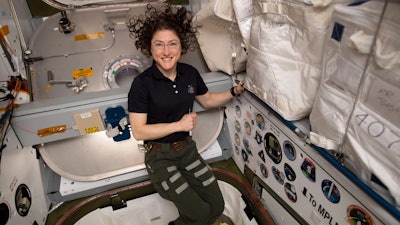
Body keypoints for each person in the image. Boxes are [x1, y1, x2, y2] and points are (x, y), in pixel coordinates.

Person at [127, 4, 245, 225]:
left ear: (181, 46)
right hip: (160, 157)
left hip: (187, 150)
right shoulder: (142, 84)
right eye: (159, 45)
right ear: (149, 48)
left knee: (217, 207)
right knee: (200, 214)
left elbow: (208, 100)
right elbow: (139, 131)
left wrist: (233, 92)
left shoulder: (189, 74)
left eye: (172, 44)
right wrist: (178, 125)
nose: (166, 51)